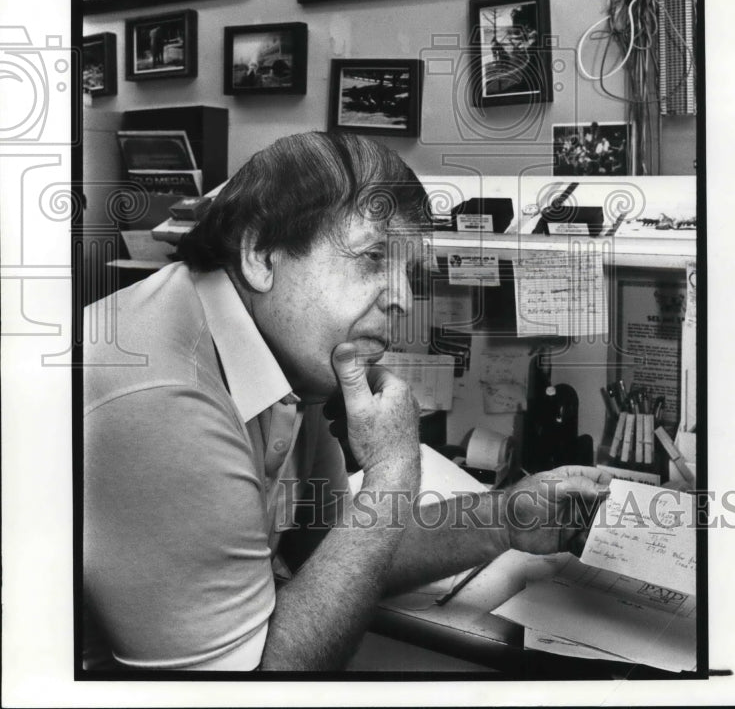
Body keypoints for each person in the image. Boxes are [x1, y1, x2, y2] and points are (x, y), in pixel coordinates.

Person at [82, 130, 609, 672]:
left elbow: (336, 554)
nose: (403, 299)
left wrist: (503, 518)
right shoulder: (166, 397)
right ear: (261, 253)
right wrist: (392, 471)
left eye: (408, 272)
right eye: (374, 257)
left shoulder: (291, 358)